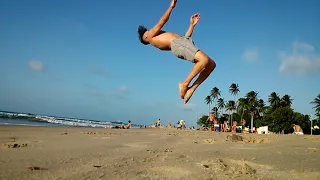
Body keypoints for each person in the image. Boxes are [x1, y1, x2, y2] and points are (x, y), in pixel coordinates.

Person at [137, 0, 216, 104]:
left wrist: (192, 25)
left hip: (183, 42)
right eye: (148, 32)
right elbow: (162, 22)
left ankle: (191, 89)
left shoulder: (161, 38)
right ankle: (184, 84)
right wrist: (171, 7)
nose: (152, 30)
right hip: (178, 44)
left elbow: (185, 39)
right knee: (204, 60)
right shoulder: (150, 37)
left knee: (211, 64)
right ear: (146, 37)